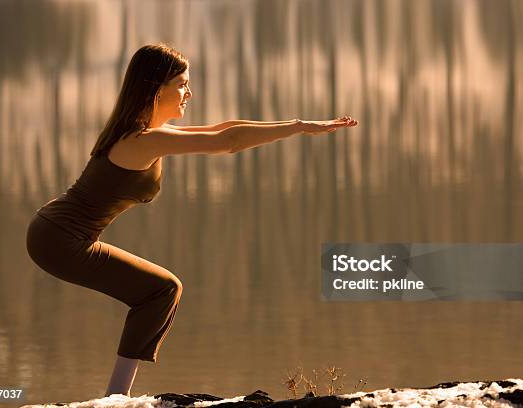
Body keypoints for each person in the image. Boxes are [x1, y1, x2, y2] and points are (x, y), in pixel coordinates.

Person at [25, 42, 358, 398]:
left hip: (56, 232)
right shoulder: (142, 140)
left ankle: (116, 395)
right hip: (59, 240)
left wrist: (300, 124)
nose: (189, 92)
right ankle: (116, 397)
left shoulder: (146, 133)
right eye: (182, 84)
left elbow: (225, 127)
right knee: (161, 290)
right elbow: (229, 141)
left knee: (161, 290)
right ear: (156, 87)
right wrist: (298, 127)